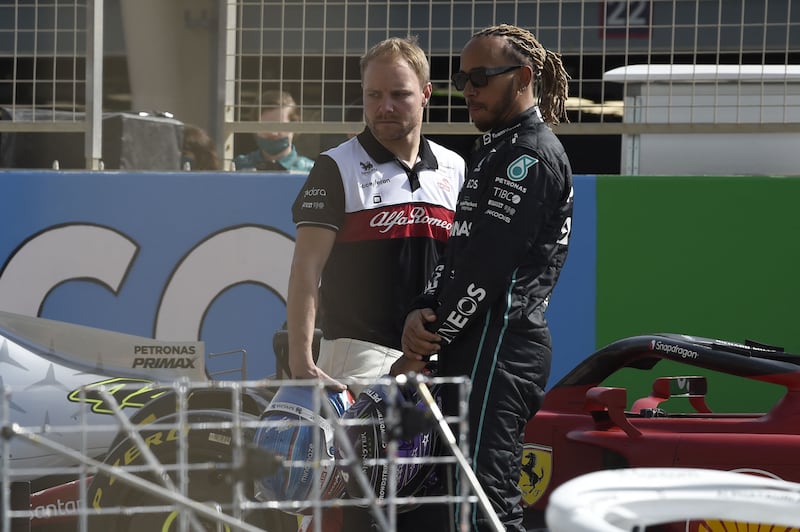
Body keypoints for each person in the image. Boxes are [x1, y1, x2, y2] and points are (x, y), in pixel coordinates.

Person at [395, 24, 574, 532]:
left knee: (484, 503)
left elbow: (487, 268)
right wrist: (422, 308)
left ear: (522, 77)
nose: (467, 89)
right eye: (461, 78)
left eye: (479, 77)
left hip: (502, 343)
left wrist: (427, 337)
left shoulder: (528, 156)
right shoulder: (496, 150)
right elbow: (460, 253)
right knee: (461, 502)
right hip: (476, 342)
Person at [286, 36, 466, 530]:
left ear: (426, 94)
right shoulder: (334, 167)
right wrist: (301, 360)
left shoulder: (454, 168)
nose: (384, 106)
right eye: (373, 95)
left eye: (399, 94)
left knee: (430, 510)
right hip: (358, 361)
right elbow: (306, 270)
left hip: (430, 366)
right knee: (355, 512)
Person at [234, 90, 315, 172]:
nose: (273, 133)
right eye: (265, 126)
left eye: (280, 126)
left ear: (295, 125)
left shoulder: (312, 171)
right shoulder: (238, 167)